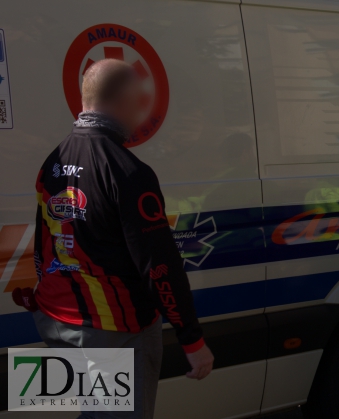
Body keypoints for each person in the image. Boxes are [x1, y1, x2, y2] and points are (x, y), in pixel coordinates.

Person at [14, 59, 213, 419]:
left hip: (57, 320)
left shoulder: (53, 160)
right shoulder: (128, 171)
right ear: (126, 102)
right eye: (140, 101)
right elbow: (159, 266)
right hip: (111, 330)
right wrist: (192, 339)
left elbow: (43, 240)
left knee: (92, 413)